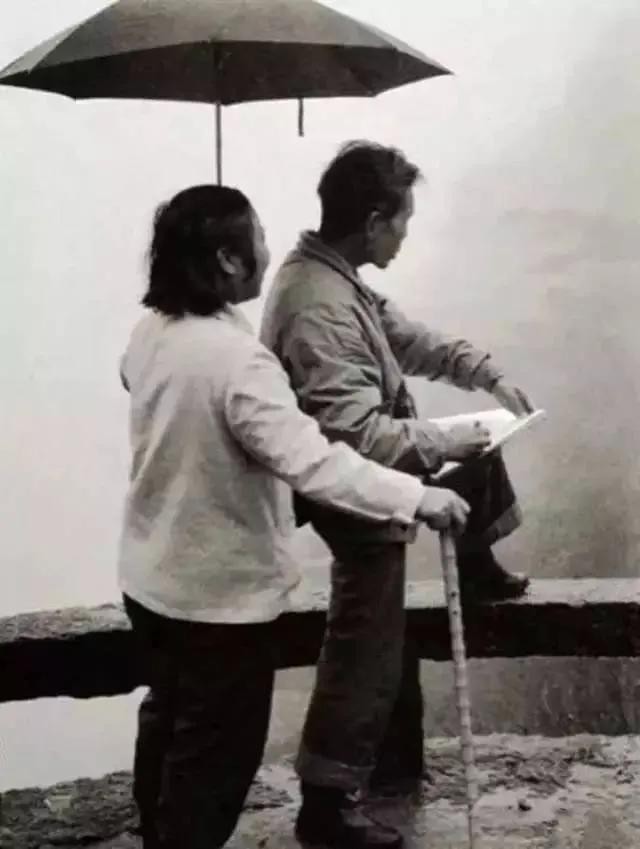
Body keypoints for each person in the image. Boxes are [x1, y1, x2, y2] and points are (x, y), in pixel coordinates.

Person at [117, 184, 470, 849]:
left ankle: (156, 831)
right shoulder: (239, 362)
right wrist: (416, 496)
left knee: (168, 719)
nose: (266, 247)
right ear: (228, 260)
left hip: (151, 583)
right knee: (214, 763)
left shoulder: (151, 333)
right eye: (255, 237)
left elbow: (132, 377)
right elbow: (314, 463)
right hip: (218, 602)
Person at [260, 141, 535, 849]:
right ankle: (326, 802)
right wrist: (447, 438)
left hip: (372, 459)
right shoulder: (318, 307)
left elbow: (409, 339)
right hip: (351, 489)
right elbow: (356, 439)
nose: (407, 234)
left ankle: (475, 563)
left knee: (478, 448)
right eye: (403, 220)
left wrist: (487, 375)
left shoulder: (337, 275)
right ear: (374, 221)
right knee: (366, 640)